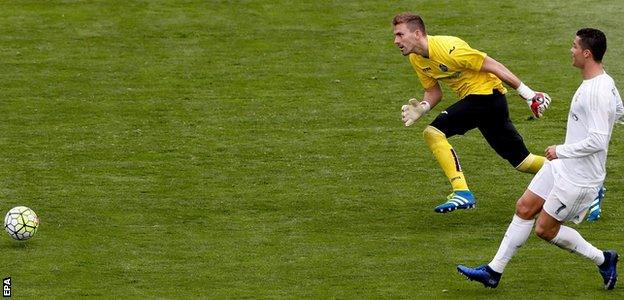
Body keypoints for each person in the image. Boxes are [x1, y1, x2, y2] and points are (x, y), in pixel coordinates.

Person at [457, 28, 624, 290]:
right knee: (524, 207)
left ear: (587, 53)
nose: (571, 50)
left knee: (545, 230)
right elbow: (620, 111)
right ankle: (493, 271)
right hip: (564, 167)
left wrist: (561, 150)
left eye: (574, 46)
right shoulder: (604, 82)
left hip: (580, 177)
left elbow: (599, 141)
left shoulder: (597, 92)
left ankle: (603, 259)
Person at [392, 12, 551, 213]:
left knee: (433, 133)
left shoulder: (450, 49)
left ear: (416, 34)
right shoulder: (416, 58)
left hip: (486, 97)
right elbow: (434, 92)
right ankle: (578, 176)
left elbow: (494, 66)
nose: (395, 40)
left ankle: (462, 192)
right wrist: (422, 107)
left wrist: (529, 95)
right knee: (523, 162)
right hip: (485, 103)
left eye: (400, 35)